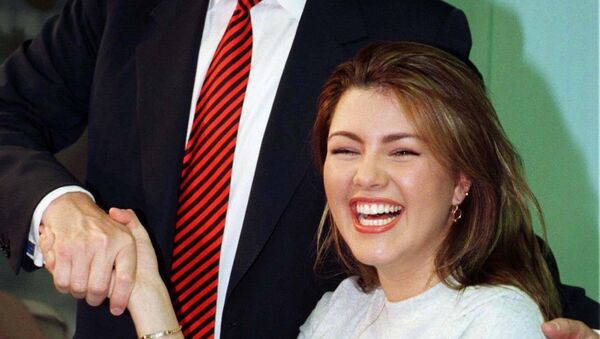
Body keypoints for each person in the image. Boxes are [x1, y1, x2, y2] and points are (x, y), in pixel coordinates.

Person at [0, 0, 596, 337]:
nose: (367, 171)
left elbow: (461, 192)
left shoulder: (411, 23)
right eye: (345, 149)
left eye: (396, 148)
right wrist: (56, 205)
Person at [298, 41, 590, 337]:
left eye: (402, 152)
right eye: (346, 150)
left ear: (461, 181)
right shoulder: (340, 309)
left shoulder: (495, 322)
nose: (366, 176)